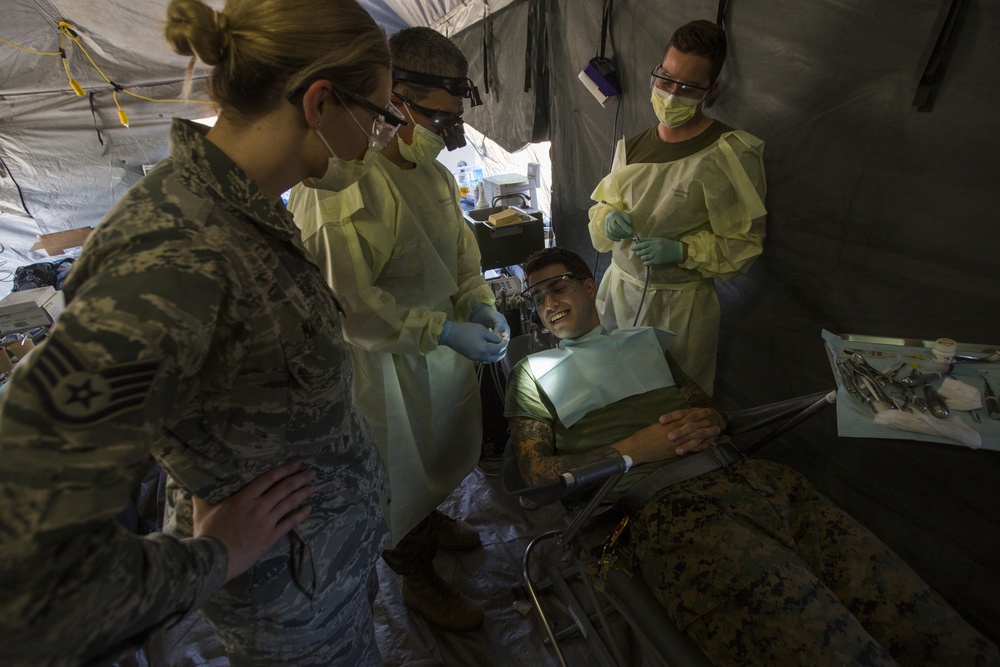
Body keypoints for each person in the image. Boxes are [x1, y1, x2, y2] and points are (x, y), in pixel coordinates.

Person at [0, 1, 405, 665]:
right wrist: (208, 557)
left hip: (326, 569)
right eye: (380, 115)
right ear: (321, 103)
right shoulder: (170, 251)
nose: (381, 137)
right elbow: (30, 574)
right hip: (290, 608)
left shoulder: (242, 212)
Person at [505, 247, 1000, 666]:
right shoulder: (532, 373)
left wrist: (714, 420)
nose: (548, 302)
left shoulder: (644, 342)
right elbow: (537, 475)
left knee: (912, 610)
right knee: (829, 645)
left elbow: (705, 406)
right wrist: (633, 450)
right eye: (537, 296)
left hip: (761, 483)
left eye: (559, 286)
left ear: (590, 287)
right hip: (670, 514)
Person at [286, 26, 506, 633]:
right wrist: (441, 330)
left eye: (455, 120)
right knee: (394, 476)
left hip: (438, 355)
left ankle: (428, 520)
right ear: (395, 101)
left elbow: (461, 253)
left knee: (435, 459)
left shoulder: (430, 176)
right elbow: (352, 306)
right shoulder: (336, 188)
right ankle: (414, 576)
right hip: (378, 366)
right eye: (438, 119)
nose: (447, 134)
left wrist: (480, 303)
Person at [588, 19, 766, 394]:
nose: (671, 95)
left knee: (676, 408)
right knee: (615, 394)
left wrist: (683, 250)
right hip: (620, 292)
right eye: (665, 79)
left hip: (679, 310)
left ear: (711, 89)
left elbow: (744, 243)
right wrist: (607, 218)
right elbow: (604, 204)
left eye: (687, 87)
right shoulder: (630, 147)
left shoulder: (729, 153)